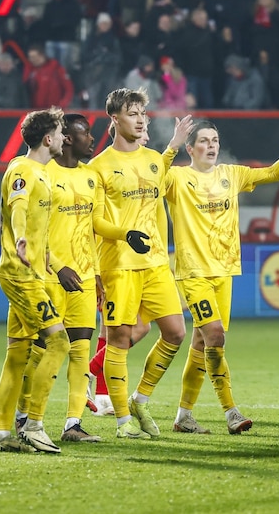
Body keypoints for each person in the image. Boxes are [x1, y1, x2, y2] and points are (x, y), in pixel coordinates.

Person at [167, 118, 279, 435]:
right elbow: (152, 177)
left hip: (225, 271)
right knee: (216, 336)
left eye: (215, 139)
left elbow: (272, 173)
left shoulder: (232, 174)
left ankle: (183, 416)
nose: (211, 145)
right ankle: (231, 411)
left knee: (203, 343)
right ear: (191, 148)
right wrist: (172, 144)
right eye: (203, 140)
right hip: (193, 273)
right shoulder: (177, 177)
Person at [88, 87, 193, 439]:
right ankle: (122, 421)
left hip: (156, 264)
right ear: (114, 118)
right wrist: (124, 233)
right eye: (133, 113)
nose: (139, 119)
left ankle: (140, 398)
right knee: (118, 338)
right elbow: (96, 221)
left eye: (143, 114)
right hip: (119, 265)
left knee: (176, 332)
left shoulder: (153, 159)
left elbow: (161, 170)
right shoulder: (99, 167)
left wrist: (176, 143)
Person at [15, 113, 103, 444]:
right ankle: (25, 417)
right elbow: (32, 230)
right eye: (86, 134)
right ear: (66, 138)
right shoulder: (42, 173)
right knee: (43, 350)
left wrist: (96, 273)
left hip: (84, 277)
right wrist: (56, 265)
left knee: (81, 350)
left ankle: (73, 424)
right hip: (50, 277)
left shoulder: (91, 176)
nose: (92, 139)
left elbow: (94, 227)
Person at [0, 107, 71, 454]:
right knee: (59, 343)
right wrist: (21, 238)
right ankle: (34, 424)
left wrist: (52, 261)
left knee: (18, 355)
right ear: (48, 138)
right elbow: (19, 207)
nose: (65, 137)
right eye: (61, 131)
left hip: (31, 271)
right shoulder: (24, 170)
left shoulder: (40, 171)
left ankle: (2, 433)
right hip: (21, 275)